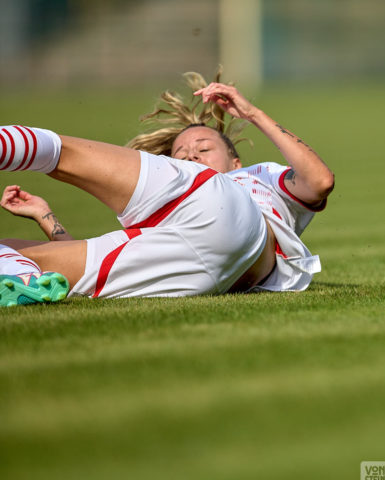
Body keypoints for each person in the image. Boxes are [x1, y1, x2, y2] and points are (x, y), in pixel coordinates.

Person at [0, 72, 334, 307]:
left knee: (64, 154)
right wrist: (46, 216)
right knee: (30, 259)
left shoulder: (257, 178)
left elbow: (319, 181)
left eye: (204, 149)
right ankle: (19, 279)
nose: (191, 155)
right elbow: (72, 261)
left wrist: (252, 113)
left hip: (230, 217)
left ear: (236, 163)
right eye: (182, 154)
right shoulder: (166, 207)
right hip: (190, 271)